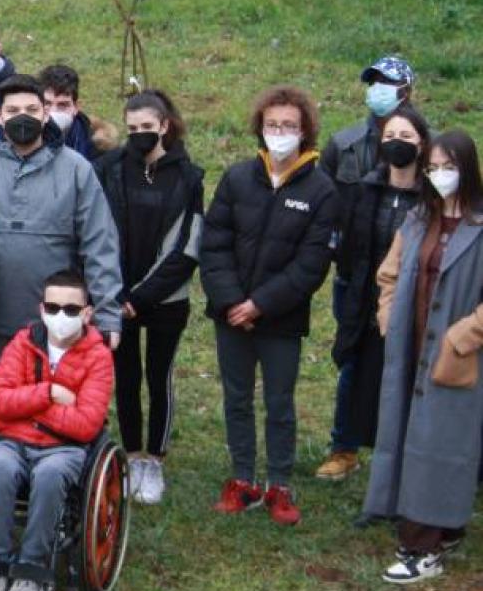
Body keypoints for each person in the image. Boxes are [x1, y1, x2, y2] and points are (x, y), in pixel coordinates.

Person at [0, 75, 123, 432]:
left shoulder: (75, 169)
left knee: (44, 412)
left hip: (53, 323)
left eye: (32, 109)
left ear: (45, 114)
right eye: (14, 110)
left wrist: (109, 312)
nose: (23, 116)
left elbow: (100, 243)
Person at [202, 86, 338, 525]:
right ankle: (243, 479)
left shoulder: (321, 191)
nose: (280, 132)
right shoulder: (238, 178)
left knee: (279, 402)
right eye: (273, 124)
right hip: (230, 316)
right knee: (236, 398)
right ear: (261, 128)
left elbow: (312, 263)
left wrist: (261, 304)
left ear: (305, 132)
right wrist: (231, 302)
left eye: (290, 126)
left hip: (281, 320)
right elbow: (214, 243)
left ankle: (279, 483)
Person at [365, 130, 483, 584]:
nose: (439, 176)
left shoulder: (478, 225)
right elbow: (389, 275)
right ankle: (438, 527)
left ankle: (421, 547)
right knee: (408, 437)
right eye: (432, 168)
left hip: (455, 355)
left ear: (468, 169)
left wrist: (462, 336)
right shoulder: (418, 219)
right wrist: (388, 319)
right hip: (410, 347)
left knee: (442, 445)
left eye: (448, 167)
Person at [0, 269, 114, 591]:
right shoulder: (21, 344)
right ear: (41, 310)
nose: (60, 316)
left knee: (50, 475)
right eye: (52, 308)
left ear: (87, 314)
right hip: (13, 442)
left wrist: (25, 406)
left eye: (70, 309)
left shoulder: (99, 357)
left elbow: (85, 425)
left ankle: (32, 566)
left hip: (65, 449)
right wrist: (47, 393)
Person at [92, 90, 204, 504]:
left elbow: (187, 248)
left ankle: (153, 459)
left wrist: (141, 297)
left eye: (147, 127)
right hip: (114, 295)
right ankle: (131, 452)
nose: (140, 134)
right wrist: (116, 293)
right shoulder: (108, 169)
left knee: (159, 376)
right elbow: (97, 232)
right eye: (132, 128)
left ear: (164, 126)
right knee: (125, 377)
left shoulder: (189, 178)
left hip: (164, 300)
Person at [320, 106, 430, 482]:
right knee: (353, 370)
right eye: (390, 138)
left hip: (415, 301)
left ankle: (409, 456)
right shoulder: (365, 189)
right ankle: (343, 448)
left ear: (422, 144)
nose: (397, 144)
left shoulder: (432, 197)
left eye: (406, 138)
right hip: (362, 295)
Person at [323, 54, 418, 189]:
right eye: (373, 83)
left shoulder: (431, 144)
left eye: (386, 82)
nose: (378, 88)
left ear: (406, 92)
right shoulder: (343, 144)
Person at [40, 64, 115, 162]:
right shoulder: (23, 142)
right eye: (47, 104)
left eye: (62, 105)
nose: (53, 112)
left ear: (76, 107)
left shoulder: (98, 146)